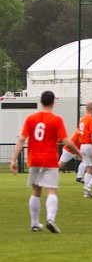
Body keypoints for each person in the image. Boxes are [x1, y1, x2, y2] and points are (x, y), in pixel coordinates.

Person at [10, 90, 82, 233]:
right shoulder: (56, 119)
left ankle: (35, 223)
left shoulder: (31, 119)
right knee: (51, 191)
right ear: (53, 102)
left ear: (40, 101)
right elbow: (65, 140)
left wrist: (13, 160)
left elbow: (21, 140)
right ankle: (50, 219)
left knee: (36, 191)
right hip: (49, 159)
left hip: (34, 159)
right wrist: (78, 152)